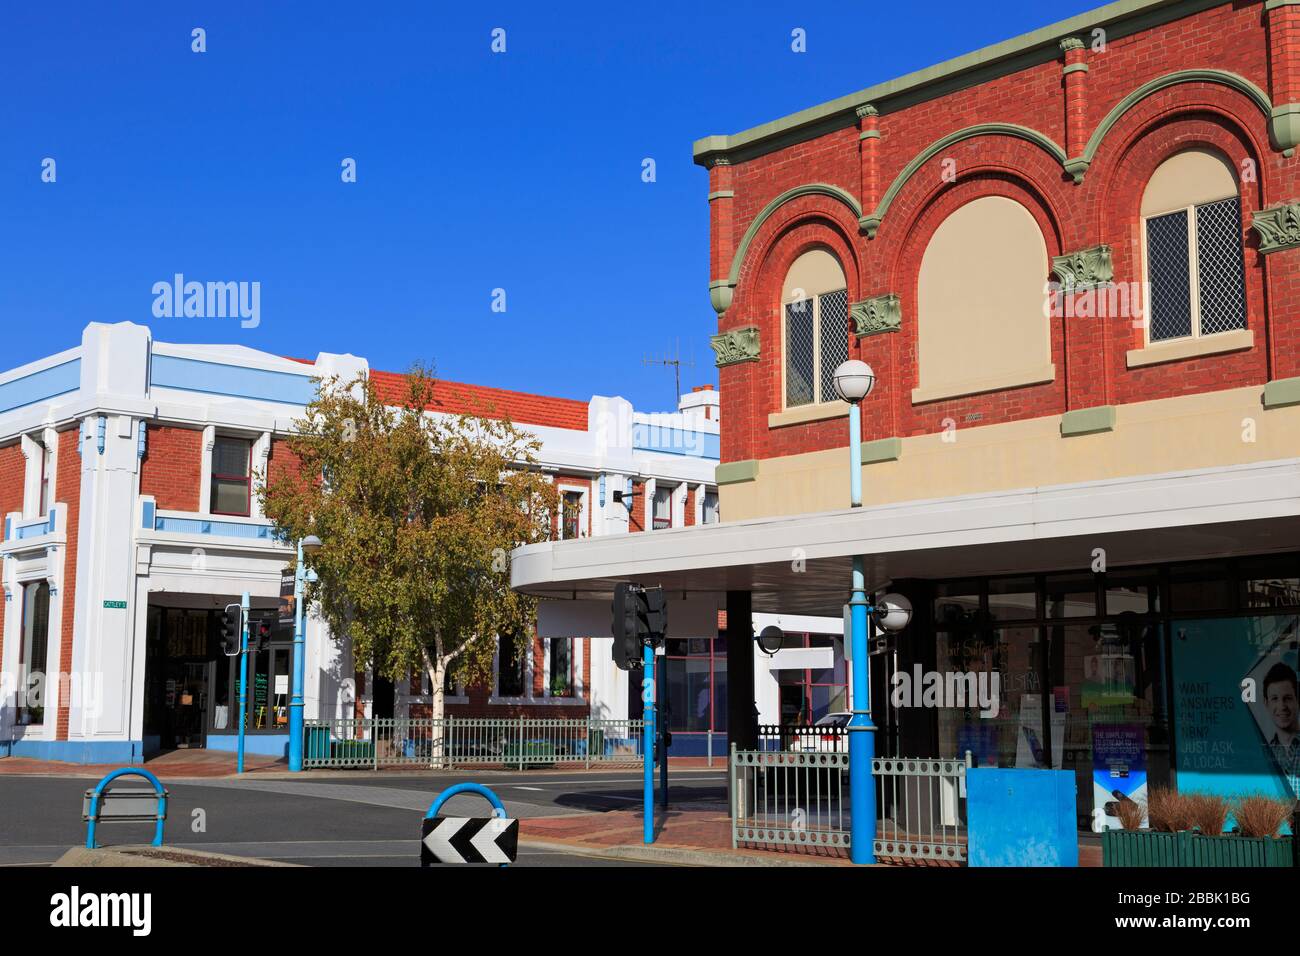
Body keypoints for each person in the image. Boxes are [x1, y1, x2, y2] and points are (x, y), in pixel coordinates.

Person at [1261, 661, 1300, 799]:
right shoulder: (1264, 751)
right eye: (1275, 699)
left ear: (1297, 700)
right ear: (1267, 704)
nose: (1282, 706)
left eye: (1287, 698)